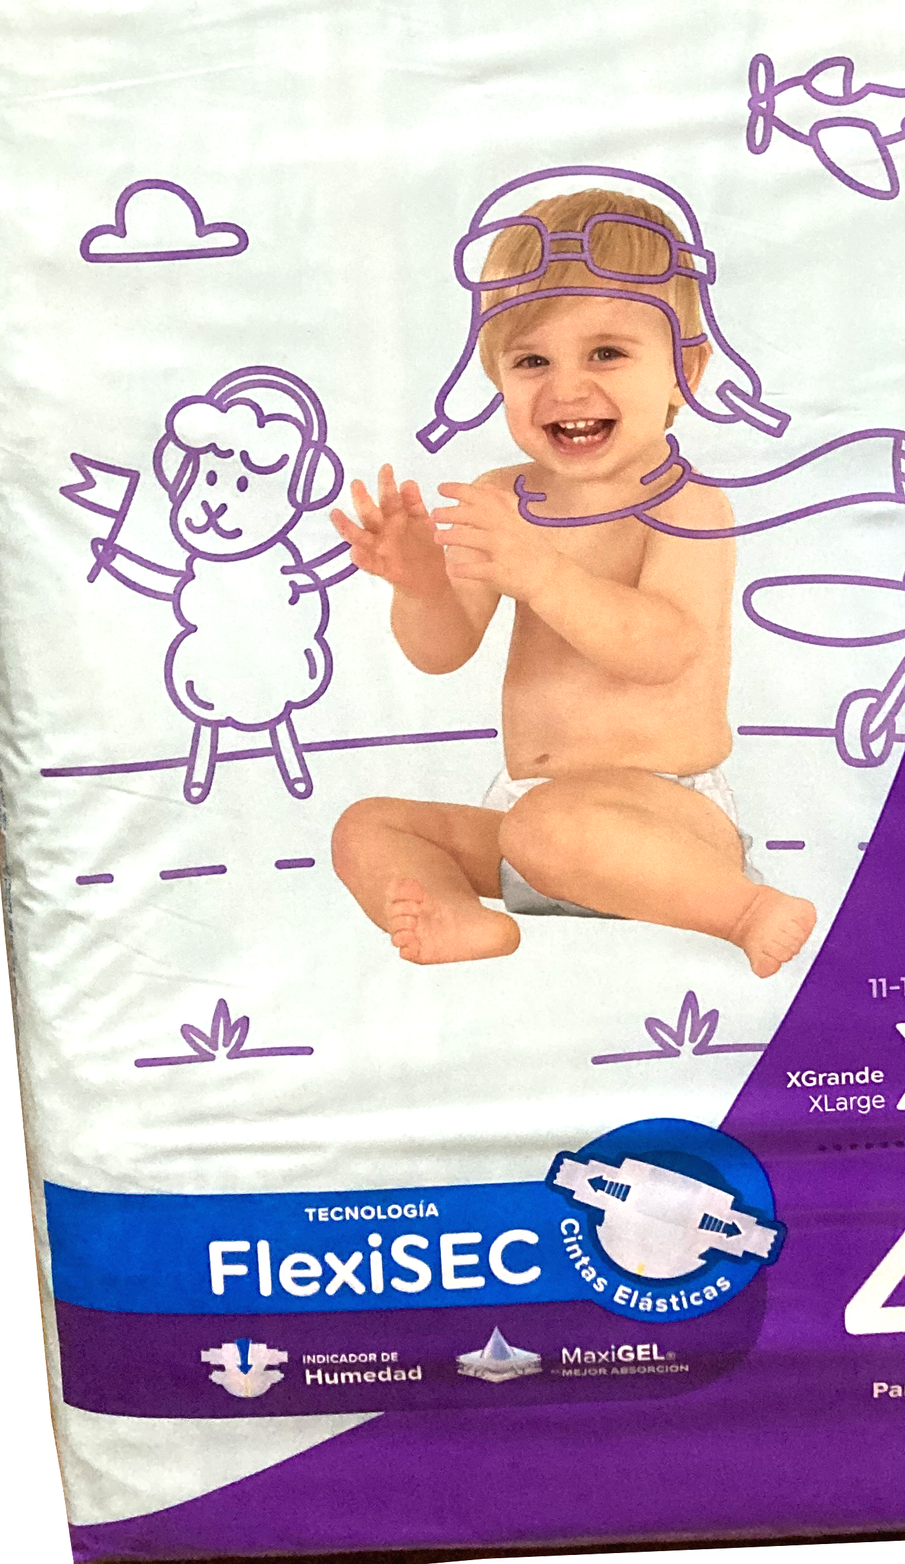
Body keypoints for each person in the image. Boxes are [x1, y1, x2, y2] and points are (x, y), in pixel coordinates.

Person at [329, 187, 817, 978]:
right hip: (528, 818)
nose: (566, 388)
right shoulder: (502, 496)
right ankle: (460, 916)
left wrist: (540, 570)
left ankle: (742, 908)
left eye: (606, 353)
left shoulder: (686, 504)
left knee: (549, 827)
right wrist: (420, 586)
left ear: (684, 370)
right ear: (497, 376)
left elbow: (662, 648)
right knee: (368, 825)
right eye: (531, 361)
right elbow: (441, 651)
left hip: (665, 817)